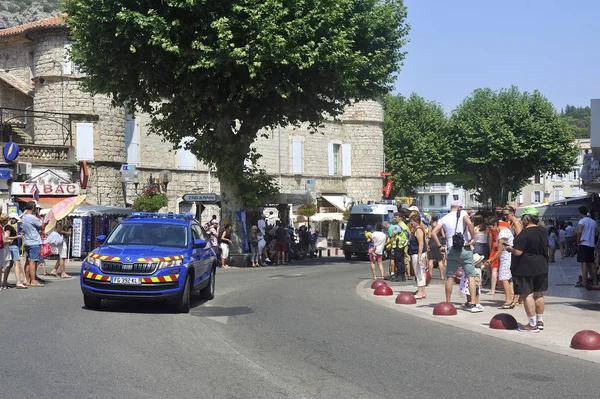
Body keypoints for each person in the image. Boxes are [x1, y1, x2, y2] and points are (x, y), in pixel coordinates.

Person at [505, 207, 548, 332]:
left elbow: (518, 252)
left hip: (526, 267)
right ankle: (540, 321)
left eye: (523, 219)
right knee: (538, 293)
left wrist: (510, 249)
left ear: (527, 219)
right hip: (542, 265)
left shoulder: (525, 233)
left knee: (527, 294)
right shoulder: (543, 231)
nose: (522, 221)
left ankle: (532, 323)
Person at [431, 200, 479, 311]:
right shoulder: (462, 214)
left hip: (451, 248)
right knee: (470, 275)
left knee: (450, 276)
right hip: (465, 248)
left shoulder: (444, 218)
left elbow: (433, 233)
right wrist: (473, 238)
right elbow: (470, 224)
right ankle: (472, 302)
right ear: (459, 207)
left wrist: (439, 246)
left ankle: (448, 302)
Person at [485, 216, 515, 309]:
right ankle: (511, 298)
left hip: (506, 258)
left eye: (490, 227)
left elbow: (499, 251)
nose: (489, 230)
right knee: (508, 278)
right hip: (506, 256)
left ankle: (508, 301)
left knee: (504, 278)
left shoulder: (502, 235)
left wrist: (491, 260)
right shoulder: (502, 230)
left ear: (494, 225)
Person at [21, 201, 47, 287]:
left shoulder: (24, 217)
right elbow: (42, 227)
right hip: (34, 242)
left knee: (28, 262)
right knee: (33, 261)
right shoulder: (32, 217)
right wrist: (45, 223)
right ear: (33, 208)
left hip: (27, 241)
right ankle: (33, 280)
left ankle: (28, 280)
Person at [576, 206, 597, 287]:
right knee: (592, 263)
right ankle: (595, 280)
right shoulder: (593, 222)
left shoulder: (582, 221)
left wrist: (578, 240)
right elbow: (596, 234)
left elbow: (579, 231)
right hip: (591, 244)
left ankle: (584, 281)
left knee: (584, 263)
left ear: (581, 213)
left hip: (584, 244)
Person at [408, 214, 427, 299]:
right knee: (420, 273)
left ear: (416, 222)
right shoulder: (416, 230)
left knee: (418, 273)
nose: (411, 223)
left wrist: (419, 256)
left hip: (417, 254)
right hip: (416, 254)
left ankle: (420, 292)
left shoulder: (418, 230)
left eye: (412, 221)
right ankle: (422, 291)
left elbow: (421, 244)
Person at [5, 213, 26, 289]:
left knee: (9, 265)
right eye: (15, 219)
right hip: (13, 246)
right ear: (12, 218)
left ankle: (4, 281)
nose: (16, 221)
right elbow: (7, 237)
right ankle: (18, 281)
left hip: (11, 246)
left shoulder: (8, 227)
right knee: (17, 264)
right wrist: (17, 236)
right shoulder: (8, 227)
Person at [427, 213, 446, 280]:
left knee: (431, 259)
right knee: (439, 260)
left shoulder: (430, 226)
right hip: (438, 243)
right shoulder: (439, 225)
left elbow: (429, 236)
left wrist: (427, 236)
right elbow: (443, 235)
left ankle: (430, 275)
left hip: (432, 243)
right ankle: (442, 276)